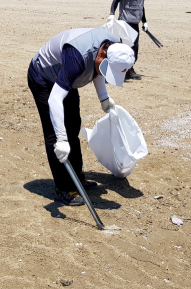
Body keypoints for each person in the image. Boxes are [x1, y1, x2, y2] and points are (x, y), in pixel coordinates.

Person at [28, 28, 135, 206]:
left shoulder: (111, 46)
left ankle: (77, 179)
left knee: (73, 126)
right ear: (102, 53)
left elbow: (98, 70)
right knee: (56, 134)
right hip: (44, 78)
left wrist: (104, 98)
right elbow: (55, 99)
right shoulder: (76, 58)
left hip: (66, 79)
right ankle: (64, 189)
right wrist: (61, 140)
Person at [108, 0, 151, 80]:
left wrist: (145, 22)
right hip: (125, 23)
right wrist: (112, 14)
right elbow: (115, 1)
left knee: (135, 48)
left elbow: (141, 7)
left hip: (135, 23)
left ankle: (127, 69)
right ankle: (126, 71)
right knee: (127, 48)